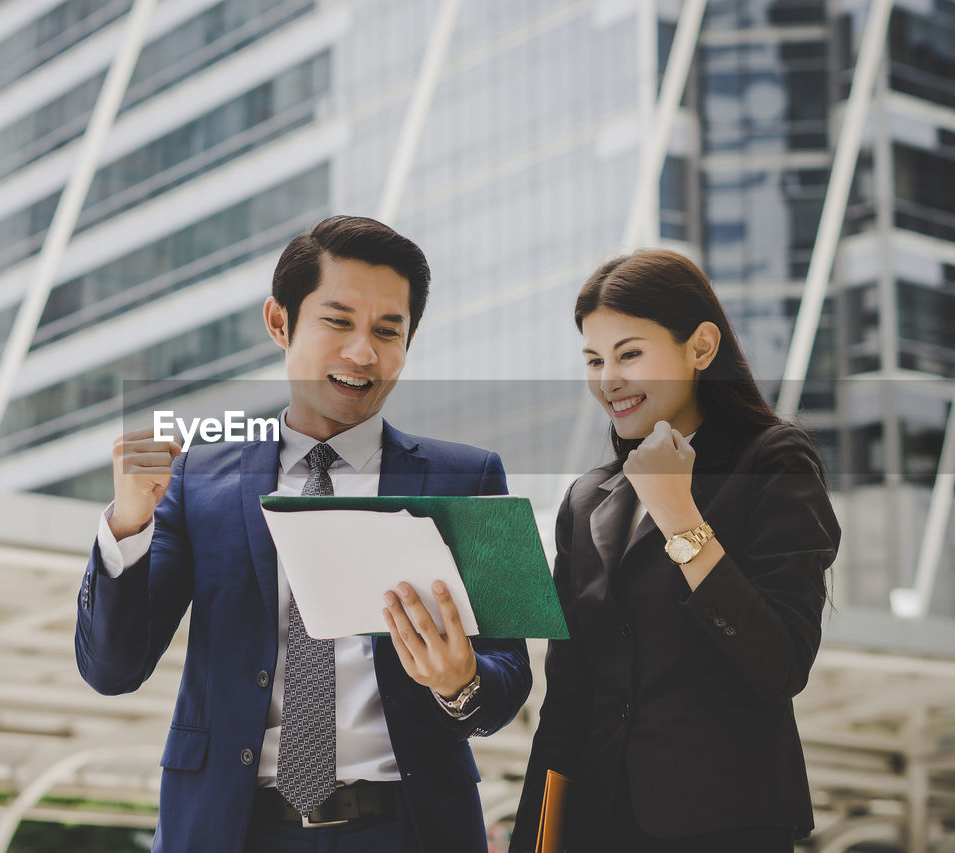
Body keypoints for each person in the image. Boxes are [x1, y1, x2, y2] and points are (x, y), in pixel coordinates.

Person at [76, 215, 533, 853]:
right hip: (229, 830)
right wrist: (127, 524)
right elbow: (112, 670)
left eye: (387, 331)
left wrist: (461, 681)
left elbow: (512, 675)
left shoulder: (474, 475)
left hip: (409, 830)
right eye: (338, 322)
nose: (362, 353)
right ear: (280, 323)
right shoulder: (194, 480)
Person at [509, 249, 841, 853]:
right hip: (599, 824)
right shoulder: (587, 500)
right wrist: (535, 842)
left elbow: (780, 664)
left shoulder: (772, 462)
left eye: (630, 353)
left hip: (726, 823)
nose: (608, 379)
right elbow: (567, 704)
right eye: (594, 359)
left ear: (701, 347)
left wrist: (677, 515)